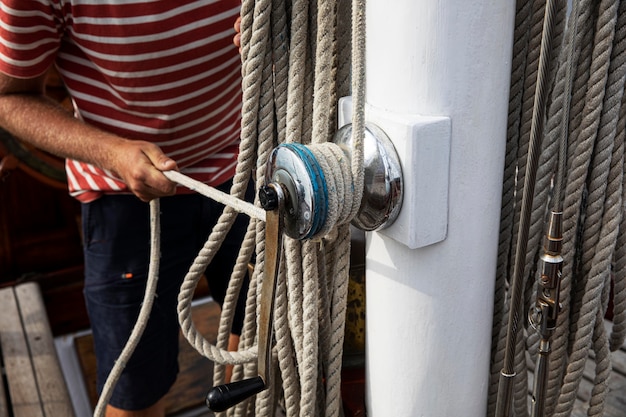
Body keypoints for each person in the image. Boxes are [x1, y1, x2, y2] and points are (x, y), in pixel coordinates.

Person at [0, 1, 249, 416]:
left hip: (249, 169)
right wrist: (113, 153)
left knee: (261, 351)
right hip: (123, 199)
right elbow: (10, 98)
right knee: (133, 395)